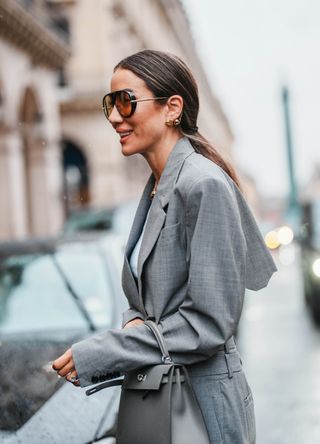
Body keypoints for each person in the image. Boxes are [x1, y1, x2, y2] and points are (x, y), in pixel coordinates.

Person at [52, 49, 277, 443]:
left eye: (126, 101)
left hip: (204, 405)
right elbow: (152, 300)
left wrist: (108, 351)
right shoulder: (158, 186)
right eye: (110, 102)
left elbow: (207, 323)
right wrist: (133, 320)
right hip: (164, 394)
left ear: (173, 108)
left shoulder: (202, 184)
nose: (114, 117)